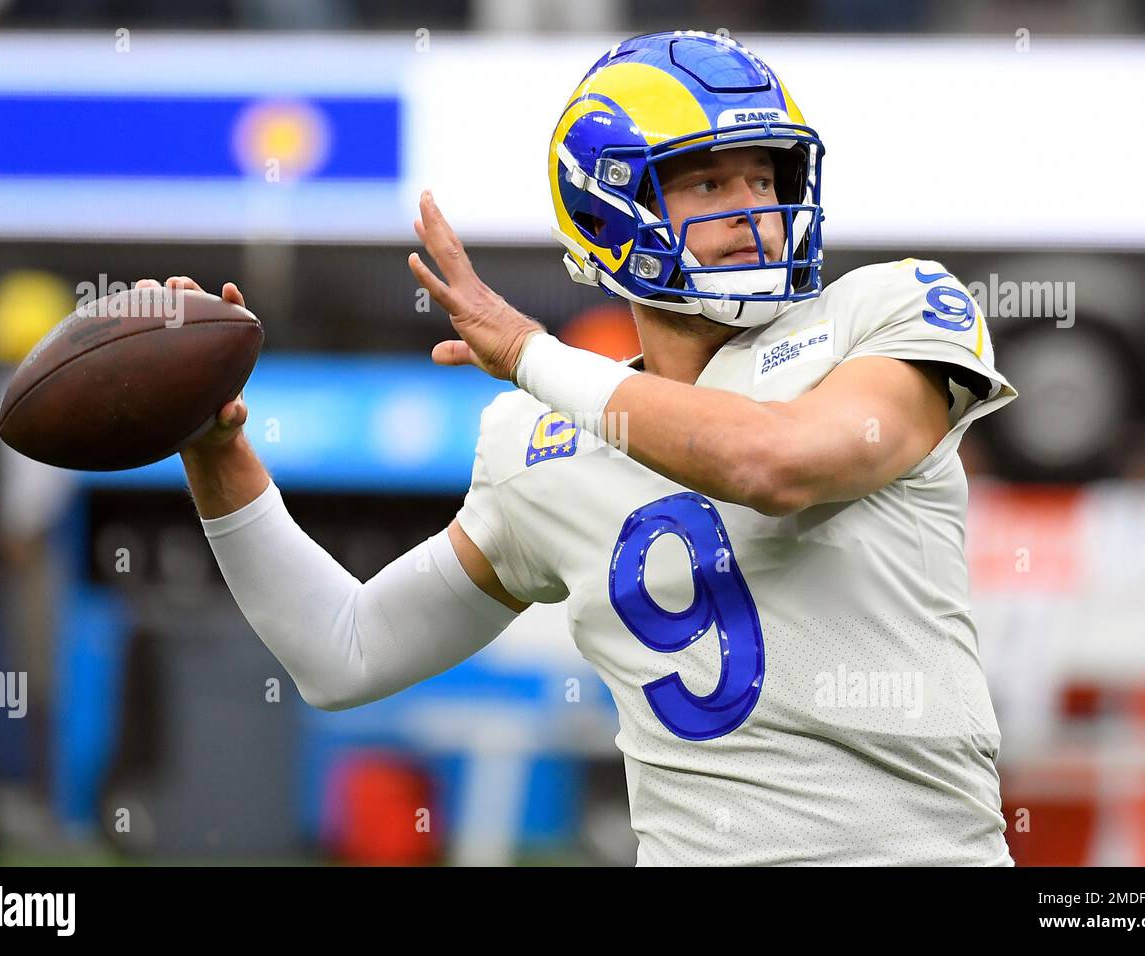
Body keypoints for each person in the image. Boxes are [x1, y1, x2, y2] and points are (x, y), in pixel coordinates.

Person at [167, 30, 1018, 865]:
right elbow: (341, 652)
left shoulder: (884, 313)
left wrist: (530, 355)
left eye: (767, 174)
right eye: (711, 183)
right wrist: (214, 453)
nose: (757, 211)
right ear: (610, 208)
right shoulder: (538, 444)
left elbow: (774, 463)